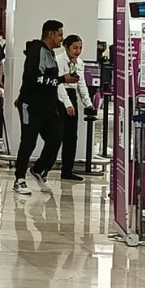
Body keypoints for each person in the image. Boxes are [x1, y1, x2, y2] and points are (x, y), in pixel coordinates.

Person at [13, 20, 67, 196]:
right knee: (28, 141)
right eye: (59, 34)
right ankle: (19, 179)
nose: (62, 38)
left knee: (55, 138)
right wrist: (62, 80)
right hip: (32, 106)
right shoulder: (36, 51)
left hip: (48, 107)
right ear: (50, 34)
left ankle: (39, 169)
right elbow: (35, 79)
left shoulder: (50, 53)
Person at [57, 35, 94, 181]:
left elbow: (81, 83)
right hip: (60, 97)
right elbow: (59, 84)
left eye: (80, 48)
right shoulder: (59, 60)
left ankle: (67, 170)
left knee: (71, 136)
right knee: (57, 136)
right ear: (66, 47)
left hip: (72, 95)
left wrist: (88, 102)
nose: (78, 51)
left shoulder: (79, 62)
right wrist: (67, 104)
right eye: (75, 48)